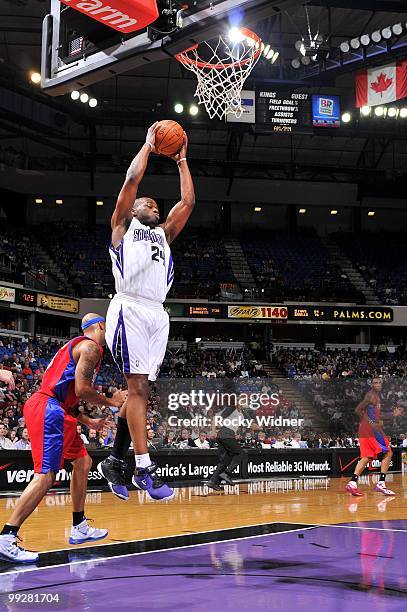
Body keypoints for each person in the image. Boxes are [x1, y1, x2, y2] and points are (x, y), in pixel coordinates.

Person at [98, 123, 195, 502]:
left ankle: (115, 460)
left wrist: (182, 160)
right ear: (133, 209)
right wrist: (148, 145)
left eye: (156, 204)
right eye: (147, 203)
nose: (153, 205)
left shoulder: (165, 233)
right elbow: (132, 179)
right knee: (137, 388)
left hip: (157, 313)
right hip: (129, 307)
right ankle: (142, 468)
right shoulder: (123, 227)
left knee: (141, 392)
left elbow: (187, 203)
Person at [0, 313, 127, 563]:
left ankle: (79, 527)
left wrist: (87, 420)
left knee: (83, 462)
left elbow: (68, 393)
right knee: (45, 477)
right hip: (48, 408)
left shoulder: (74, 346)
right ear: (101, 326)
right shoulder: (91, 347)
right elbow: (82, 390)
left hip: (58, 408)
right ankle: (6, 537)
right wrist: (111, 401)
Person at [346, 377, 402, 497]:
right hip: (370, 429)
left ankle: (352, 483)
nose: (378, 384)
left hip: (366, 429)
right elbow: (358, 410)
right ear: (371, 384)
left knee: (367, 456)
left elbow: (378, 415)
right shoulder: (370, 395)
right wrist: (371, 422)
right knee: (388, 452)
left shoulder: (377, 397)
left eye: (380, 382)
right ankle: (381, 483)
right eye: (375, 382)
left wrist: (392, 414)